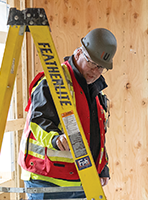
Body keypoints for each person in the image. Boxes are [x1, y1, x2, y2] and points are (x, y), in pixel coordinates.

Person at [18, 28, 117, 199]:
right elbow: (38, 121)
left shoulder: (95, 90)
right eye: (92, 63)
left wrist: (102, 167)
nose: (95, 72)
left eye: (101, 67)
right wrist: (55, 139)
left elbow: (97, 134)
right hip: (47, 180)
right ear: (78, 53)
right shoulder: (54, 81)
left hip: (82, 179)